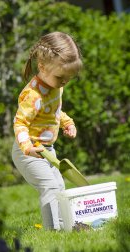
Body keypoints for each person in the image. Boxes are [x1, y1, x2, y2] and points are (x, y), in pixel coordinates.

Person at [11, 32, 82, 230]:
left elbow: (55, 111)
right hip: (28, 151)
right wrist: (27, 148)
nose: (64, 83)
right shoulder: (33, 96)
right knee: (49, 187)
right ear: (42, 67)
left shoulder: (55, 85)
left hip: (47, 150)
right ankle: (54, 231)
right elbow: (20, 123)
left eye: (69, 78)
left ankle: (65, 226)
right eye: (61, 77)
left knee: (59, 187)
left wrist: (68, 123)